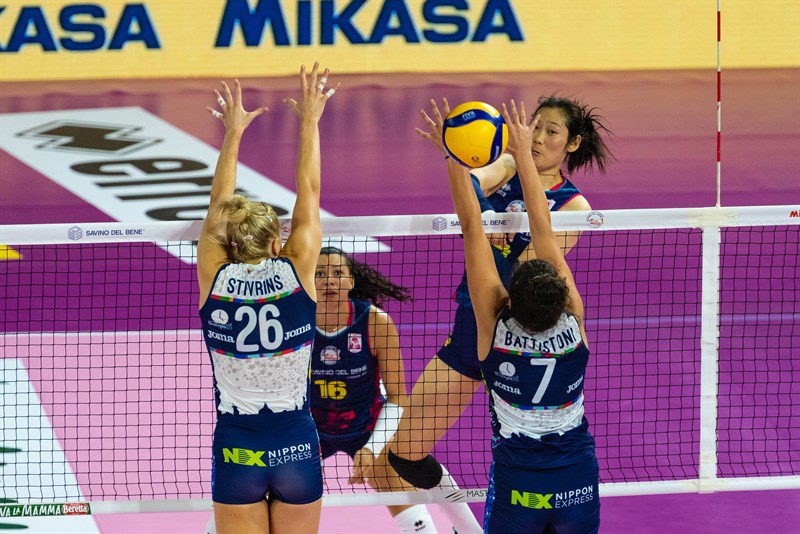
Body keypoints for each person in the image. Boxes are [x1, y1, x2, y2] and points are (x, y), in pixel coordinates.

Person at [385, 96, 612, 492]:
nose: (537, 138)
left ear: (572, 143)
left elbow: (527, 271)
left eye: (551, 132)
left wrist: (481, 229)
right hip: (471, 328)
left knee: (527, 460)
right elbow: (471, 184)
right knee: (405, 454)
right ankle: (460, 513)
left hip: (520, 340)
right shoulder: (506, 167)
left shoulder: (574, 205)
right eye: (535, 127)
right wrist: (486, 214)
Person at [197, 63, 337, 534]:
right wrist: (310, 121)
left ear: (230, 243)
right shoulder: (297, 269)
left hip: (237, 448)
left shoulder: (215, 276)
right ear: (277, 241)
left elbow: (218, 203)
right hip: (296, 443)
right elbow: (310, 191)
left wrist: (232, 133)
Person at [313, 246, 483, 534]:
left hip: (366, 425)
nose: (329, 280)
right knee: (277, 488)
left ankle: (471, 531)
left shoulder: (375, 323)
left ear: (351, 281)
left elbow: (397, 397)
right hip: (311, 429)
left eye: (338, 272)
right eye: (319, 273)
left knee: (402, 478)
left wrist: (372, 447)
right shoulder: (295, 323)